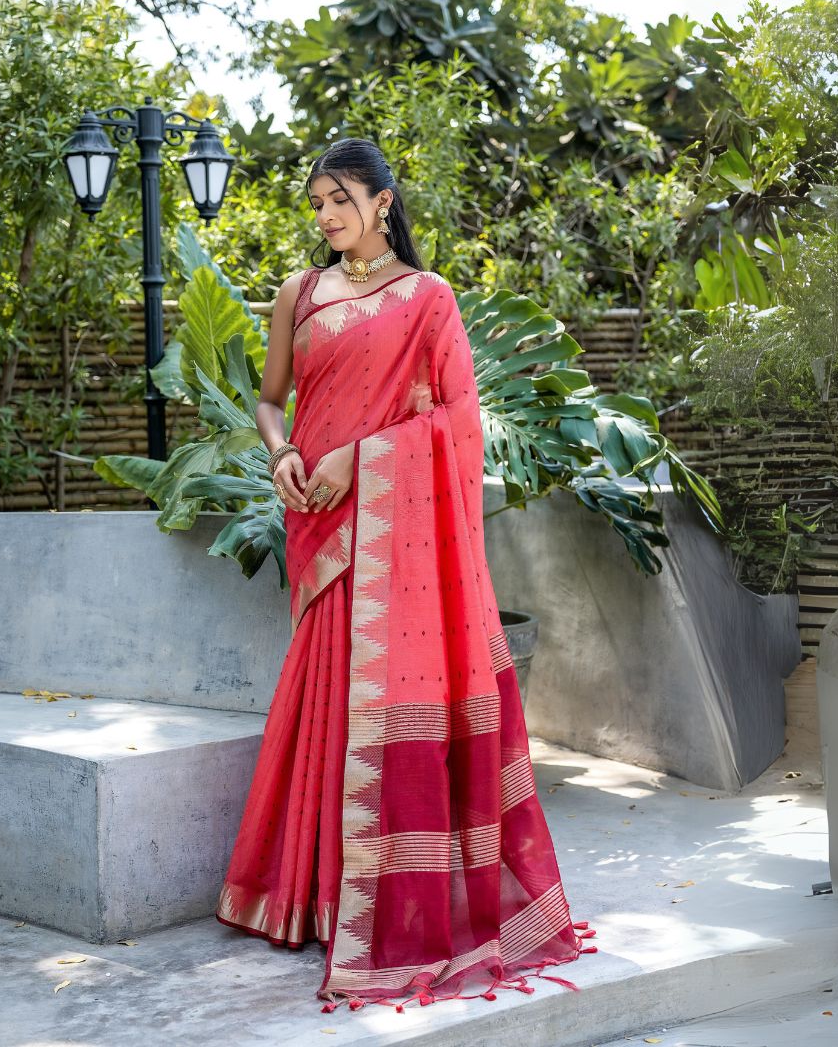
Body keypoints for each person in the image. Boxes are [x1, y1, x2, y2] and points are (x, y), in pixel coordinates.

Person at [214, 137, 597, 1013]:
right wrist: (282, 456)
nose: (325, 217)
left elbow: (458, 425)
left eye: (340, 200)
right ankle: (311, 899)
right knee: (324, 702)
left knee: (380, 704)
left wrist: (365, 458)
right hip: (322, 521)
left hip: (391, 534)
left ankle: (389, 908)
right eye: (317, 203)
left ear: (384, 202)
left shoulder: (429, 300)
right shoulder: (297, 295)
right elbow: (272, 401)